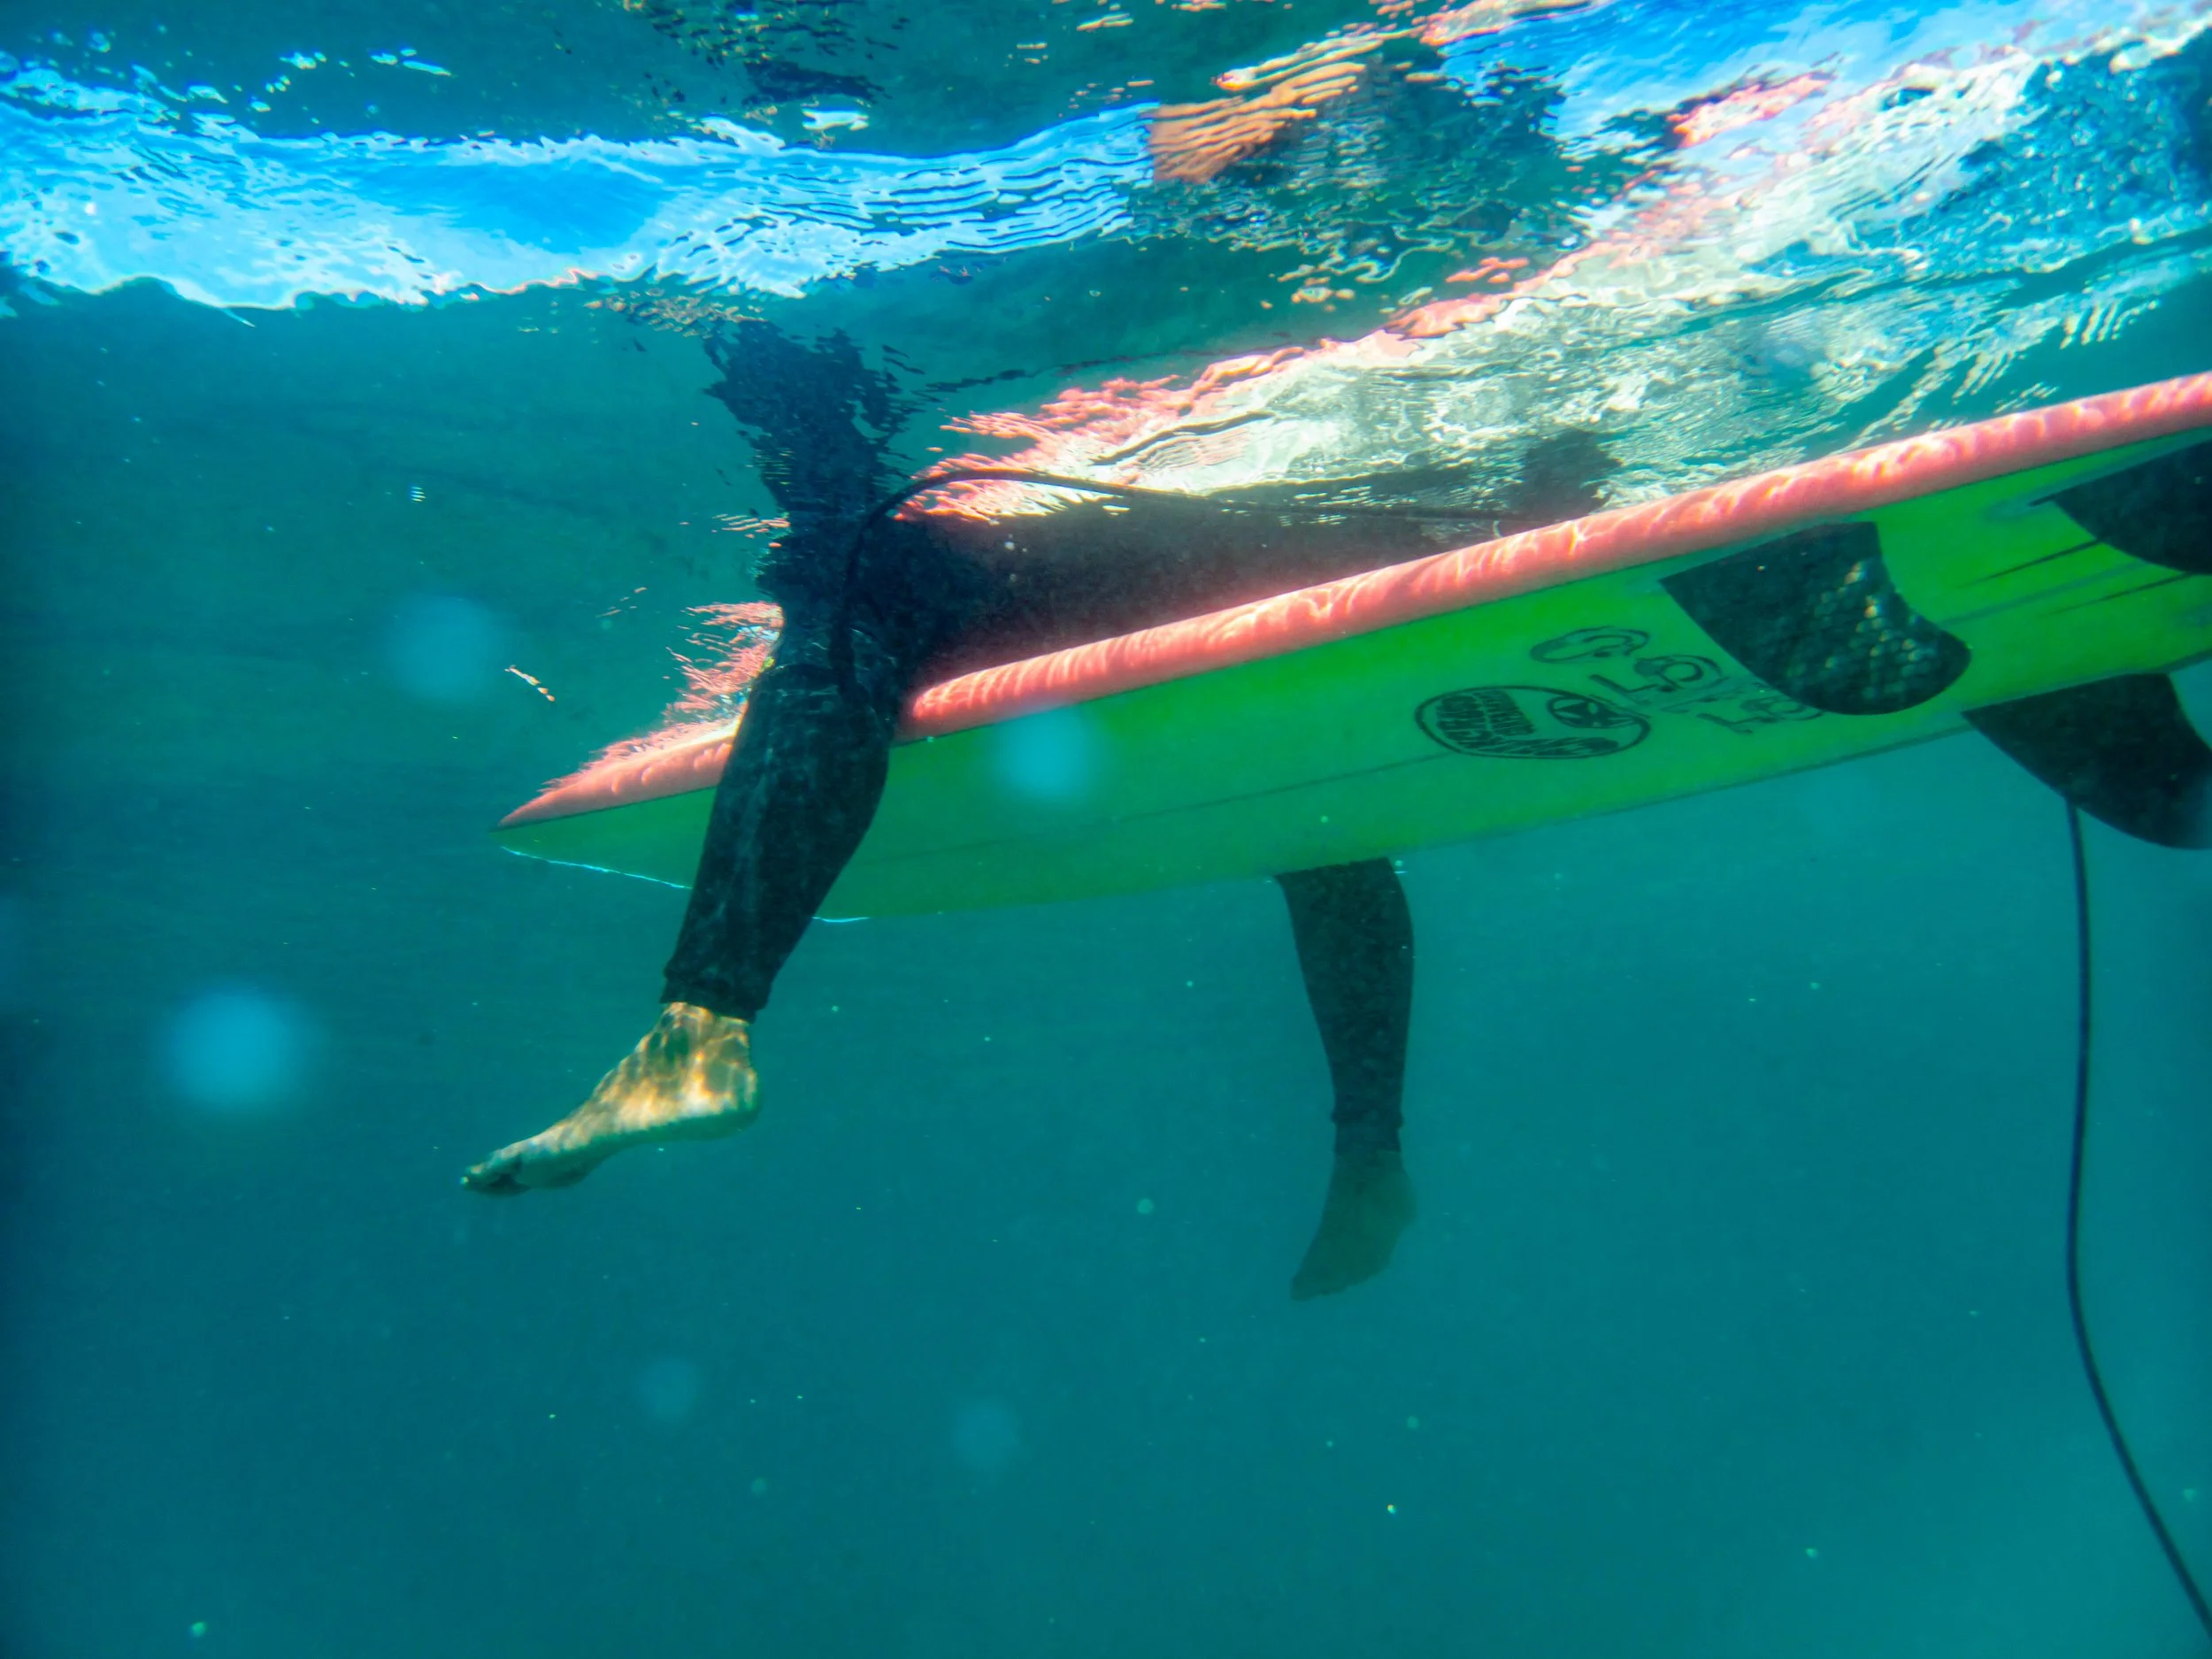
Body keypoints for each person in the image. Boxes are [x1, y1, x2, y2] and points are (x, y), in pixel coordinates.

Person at [461, 322, 1598, 1297]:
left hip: (1048, 560)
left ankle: (702, 1032)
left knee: (842, 604)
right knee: (1302, 799)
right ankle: (1370, 1155)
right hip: (1253, 551)